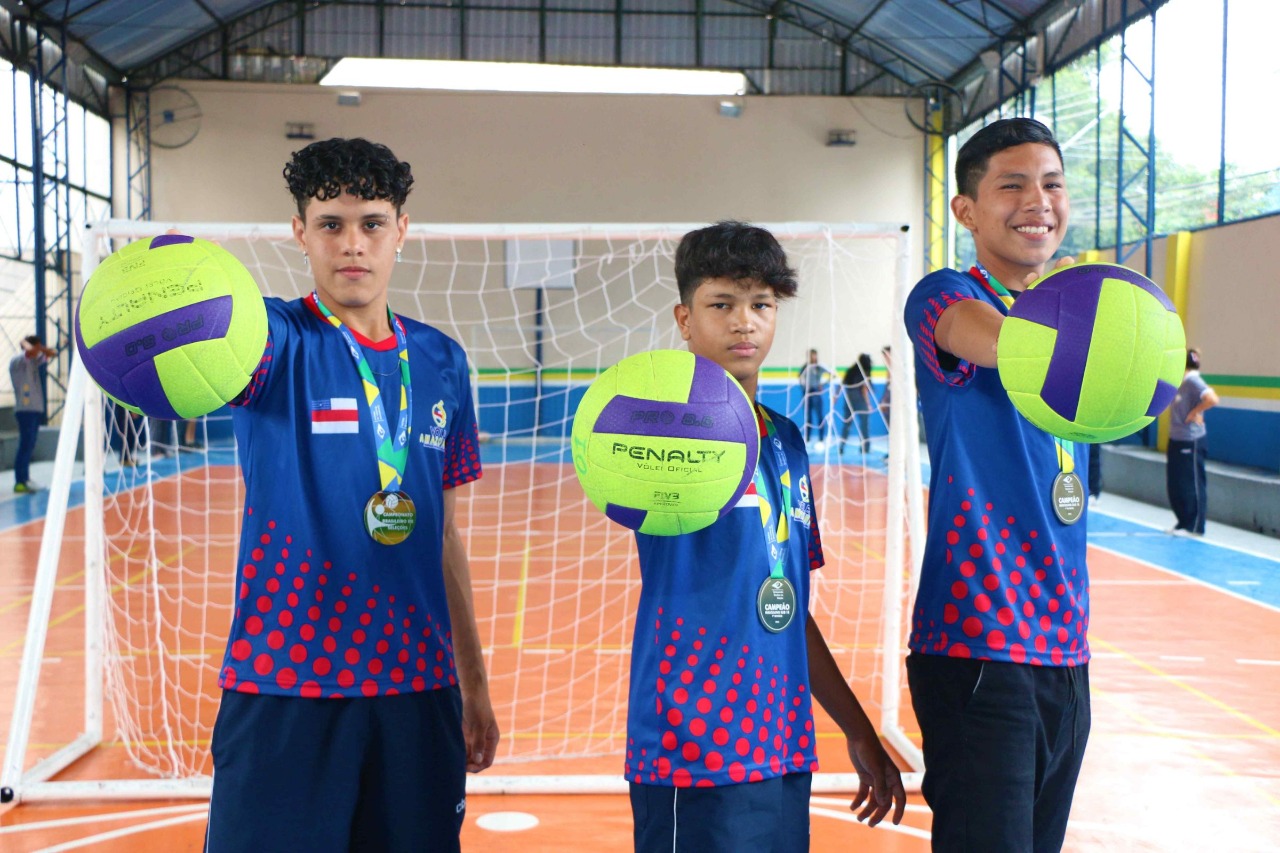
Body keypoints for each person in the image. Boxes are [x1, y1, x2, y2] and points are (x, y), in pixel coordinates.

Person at [204, 138, 499, 853]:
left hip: (416, 685)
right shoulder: (271, 339)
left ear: (401, 229)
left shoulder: (441, 361)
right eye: (330, 223)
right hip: (286, 680)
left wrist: (474, 683)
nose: (352, 243)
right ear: (299, 232)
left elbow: (445, 537)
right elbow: (202, 331)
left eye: (371, 222)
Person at [626, 221, 906, 852]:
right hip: (691, 743)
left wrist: (857, 730)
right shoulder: (658, 432)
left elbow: (786, 606)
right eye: (721, 304)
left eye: (761, 305)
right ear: (684, 318)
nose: (743, 323)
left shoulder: (785, 439)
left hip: (780, 741)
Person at [903, 117, 1090, 852]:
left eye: (1051, 183)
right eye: (1011, 185)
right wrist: (1105, 329)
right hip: (980, 644)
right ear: (966, 211)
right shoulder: (945, 295)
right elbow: (985, 337)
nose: (1036, 200)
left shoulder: (1070, 314)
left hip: (1065, 648)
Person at [1166, 348, 1218, 536]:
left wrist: (1195, 412)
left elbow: (1212, 398)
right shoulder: (1181, 382)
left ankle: (1194, 526)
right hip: (1177, 439)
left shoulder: (1193, 380)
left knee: (1191, 483)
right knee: (1176, 483)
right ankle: (1183, 521)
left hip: (1191, 440)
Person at [8, 335, 56, 492]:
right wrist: (32, 346)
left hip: (35, 409)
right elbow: (25, 347)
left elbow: (52, 353)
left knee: (30, 445)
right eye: (36, 347)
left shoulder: (34, 362)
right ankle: (19, 481)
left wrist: (40, 348)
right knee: (25, 445)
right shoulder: (18, 362)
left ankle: (25, 478)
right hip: (25, 410)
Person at [839, 352, 874, 456]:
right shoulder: (865, 372)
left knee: (847, 425)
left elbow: (841, 384)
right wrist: (868, 404)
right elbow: (864, 389)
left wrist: (835, 398)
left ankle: (842, 446)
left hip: (849, 399)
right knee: (864, 425)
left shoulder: (851, 371)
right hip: (860, 400)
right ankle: (865, 447)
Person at [797, 348, 833, 447]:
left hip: (816, 392)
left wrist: (823, 384)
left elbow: (832, 374)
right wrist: (804, 387)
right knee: (808, 417)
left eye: (814, 355)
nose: (813, 357)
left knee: (820, 416)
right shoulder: (805, 367)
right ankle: (807, 439)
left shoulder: (819, 367)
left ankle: (821, 439)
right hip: (807, 393)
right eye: (811, 355)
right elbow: (800, 378)